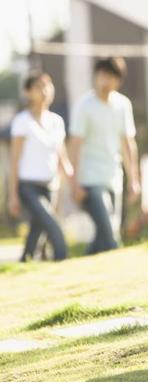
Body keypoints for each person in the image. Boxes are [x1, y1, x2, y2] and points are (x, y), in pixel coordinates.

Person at [67, 57, 140, 255]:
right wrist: (74, 183)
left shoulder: (123, 104)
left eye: (109, 77)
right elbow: (75, 145)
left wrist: (134, 179)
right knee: (110, 235)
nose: (104, 81)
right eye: (101, 76)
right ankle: (120, 269)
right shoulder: (85, 105)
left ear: (118, 80)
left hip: (113, 177)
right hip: (89, 180)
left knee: (105, 234)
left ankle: (81, 267)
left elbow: (128, 143)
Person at [8, 71, 73, 262]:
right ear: (28, 92)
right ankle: (63, 259)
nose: (45, 90)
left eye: (48, 85)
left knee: (37, 232)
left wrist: (73, 180)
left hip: (50, 186)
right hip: (28, 187)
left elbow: (61, 156)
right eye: (39, 86)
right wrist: (12, 195)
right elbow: (14, 161)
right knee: (53, 227)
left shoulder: (56, 121)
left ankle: (24, 263)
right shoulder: (22, 121)